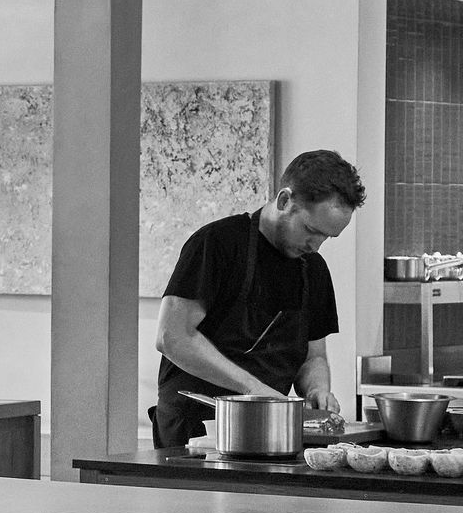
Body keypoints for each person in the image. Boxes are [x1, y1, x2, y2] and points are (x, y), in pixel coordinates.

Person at [152, 149, 366, 449]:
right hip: (198, 431)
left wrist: (317, 389)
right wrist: (254, 389)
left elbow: (313, 355)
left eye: (327, 238)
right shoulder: (217, 244)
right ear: (283, 201)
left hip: (270, 432)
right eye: (310, 230)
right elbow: (172, 336)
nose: (316, 246)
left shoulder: (313, 269)